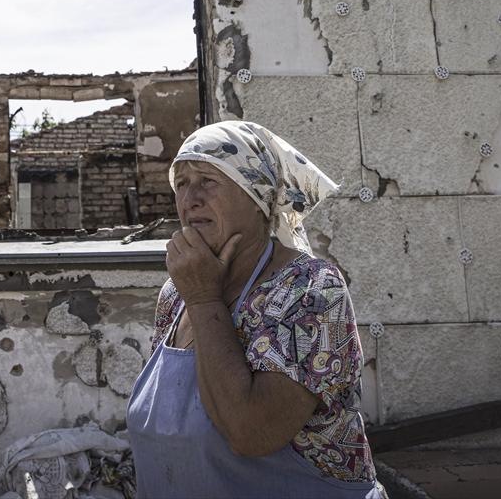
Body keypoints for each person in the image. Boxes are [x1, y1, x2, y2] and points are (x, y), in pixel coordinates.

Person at [126, 121, 386, 498]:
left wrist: (204, 299)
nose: (190, 199)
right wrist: (195, 295)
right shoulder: (175, 295)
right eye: (181, 183)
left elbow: (251, 433)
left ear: (257, 196)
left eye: (208, 181)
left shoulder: (309, 288)